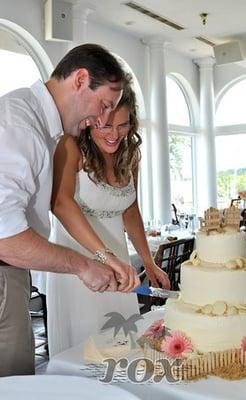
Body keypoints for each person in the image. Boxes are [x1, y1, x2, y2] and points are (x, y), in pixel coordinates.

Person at [0, 43, 140, 376]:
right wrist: (83, 266)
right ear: (80, 79)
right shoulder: (21, 126)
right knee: (14, 386)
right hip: (5, 274)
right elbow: (5, 236)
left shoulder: (32, 117)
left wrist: (102, 259)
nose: (102, 120)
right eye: (104, 105)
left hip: (13, 274)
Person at [48, 81, 170, 356]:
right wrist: (104, 257)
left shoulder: (130, 156)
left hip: (120, 267)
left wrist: (148, 263)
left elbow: (130, 210)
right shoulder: (70, 147)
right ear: (91, 120)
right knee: (85, 352)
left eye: (123, 125)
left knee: (122, 348)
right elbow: (60, 203)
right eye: (105, 125)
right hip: (79, 268)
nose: (115, 134)